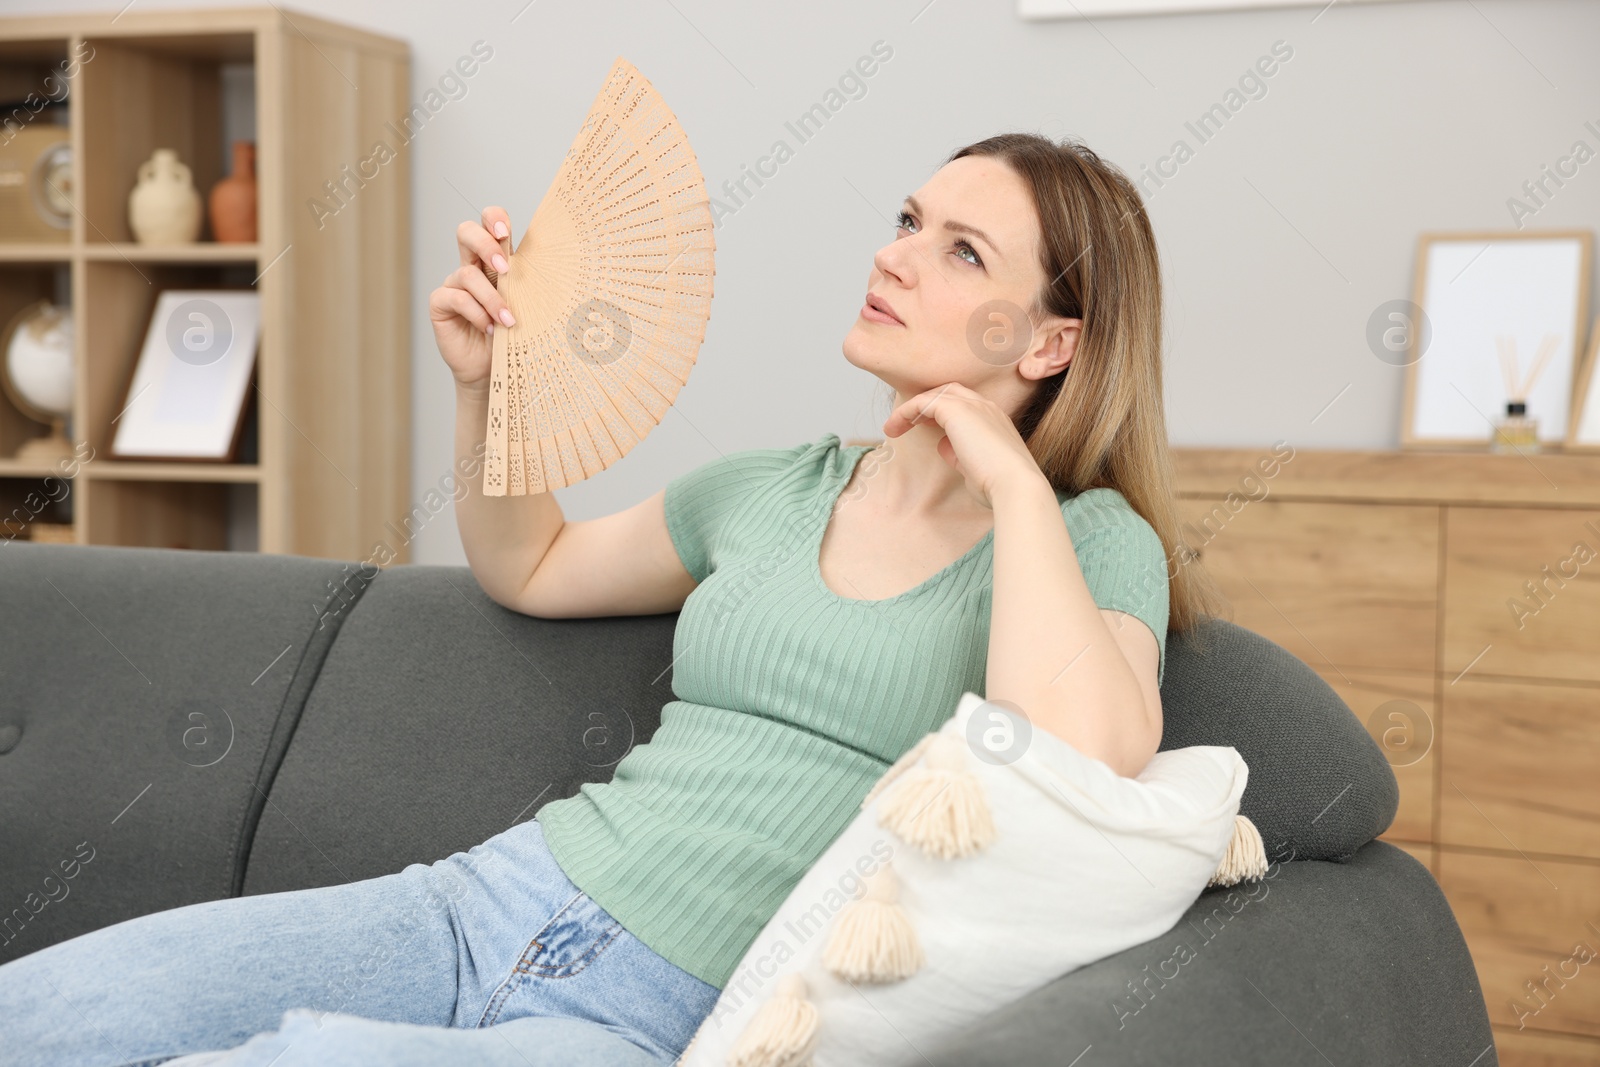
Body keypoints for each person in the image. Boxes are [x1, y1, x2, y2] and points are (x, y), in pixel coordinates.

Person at [0, 132, 1223, 1066]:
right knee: (45, 1010)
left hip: (646, 1022)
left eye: (961, 250)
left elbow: (1081, 751)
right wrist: (492, 385)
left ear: (1051, 344)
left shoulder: (1084, 542)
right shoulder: (770, 488)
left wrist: (1009, 472)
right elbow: (529, 566)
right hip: (481, 901)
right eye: (908, 217)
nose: (894, 254)